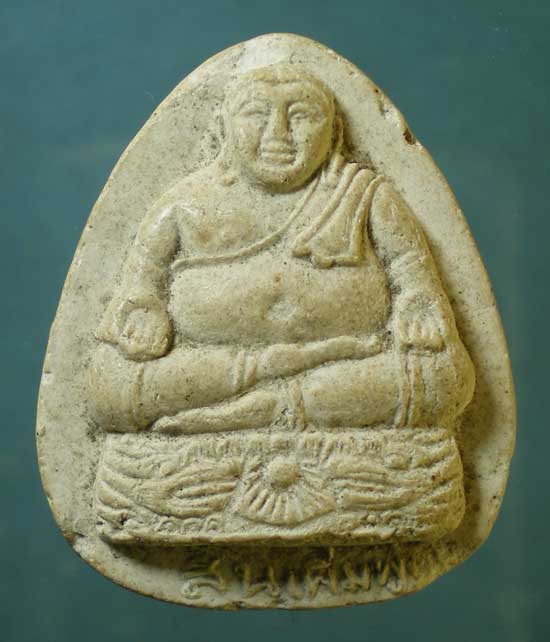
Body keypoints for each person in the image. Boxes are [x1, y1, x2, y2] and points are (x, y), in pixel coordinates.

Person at [91, 64, 474, 439]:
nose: (278, 133)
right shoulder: (181, 207)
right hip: (216, 369)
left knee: (446, 376)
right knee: (109, 387)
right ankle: (271, 383)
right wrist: (143, 313)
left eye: (301, 116)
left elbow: (410, 267)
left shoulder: (365, 196)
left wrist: (417, 300)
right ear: (224, 130)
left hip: (342, 370)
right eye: (255, 114)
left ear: (334, 133)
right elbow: (139, 290)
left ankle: (265, 407)